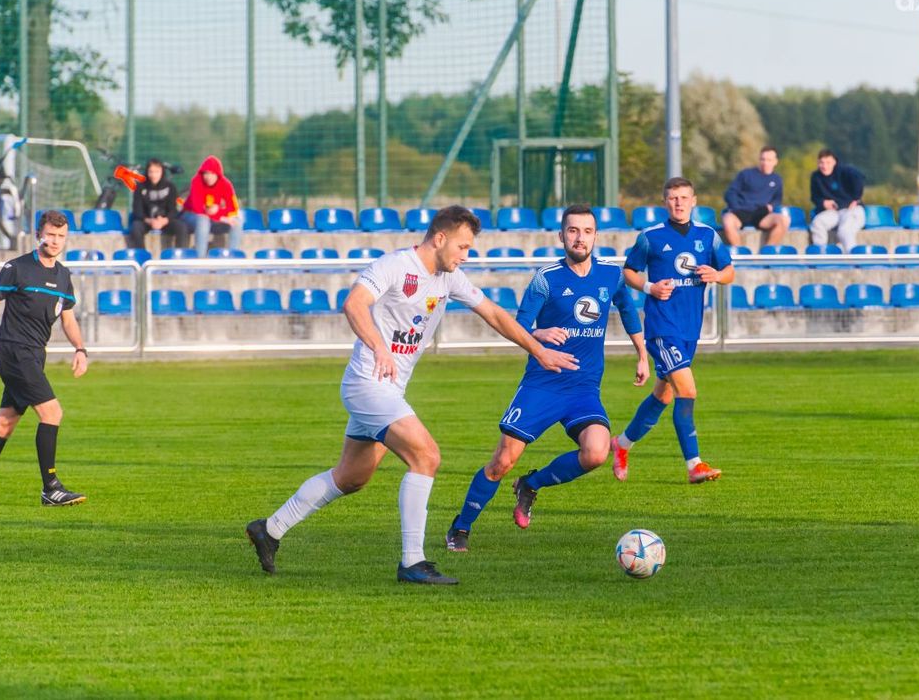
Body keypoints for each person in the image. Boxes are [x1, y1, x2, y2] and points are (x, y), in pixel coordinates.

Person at [244, 206, 579, 585]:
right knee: (427, 455)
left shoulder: (448, 278)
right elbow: (353, 304)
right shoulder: (394, 266)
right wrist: (379, 347)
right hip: (368, 384)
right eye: (463, 246)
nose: (466, 255)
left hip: (388, 389)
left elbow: (495, 314)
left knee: (351, 477)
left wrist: (537, 347)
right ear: (440, 239)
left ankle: (269, 529)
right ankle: (412, 562)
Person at [444, 205, 650, 552]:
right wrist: (540, 333)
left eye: (586, 231)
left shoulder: (611, 276)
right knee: (502, 461)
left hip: (583, 388)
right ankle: (460, 527)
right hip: (542, 384)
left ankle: (531, 484)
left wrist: (642, 355)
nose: (579, 238)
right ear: (561, 236)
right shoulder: (546, 278)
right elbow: (518, 325)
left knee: (597, 452)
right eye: (572, 231)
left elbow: (628, 311)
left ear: (595, 236)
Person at [0, 210, 89, 507]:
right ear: (38, 234)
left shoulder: (64, 276)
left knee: (5, 423)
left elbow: (68, 318)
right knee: (52, 413)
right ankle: (51, 487)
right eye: (50, 235)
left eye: (61, 236)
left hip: (34, 355)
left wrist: (80, 349)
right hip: (14, 351)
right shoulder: (17, 268)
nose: (55, 241)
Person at [610, 177, 735, 484]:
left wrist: (717, 275)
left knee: (663, 396)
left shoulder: (708, 236)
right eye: (672, 198)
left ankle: (621, 444)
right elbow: (627, 272)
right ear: (665, 202)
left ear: (694, 201)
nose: (678, 203)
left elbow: (730, 272)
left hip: (689, 328)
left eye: (683, 197)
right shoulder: (650, 237)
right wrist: (650, 287)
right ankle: (694, 465)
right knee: (688, 390)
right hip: (661, 327)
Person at [721, 145, 788, 247]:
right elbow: (730, 193)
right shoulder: (746, 174)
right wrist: (735, 207)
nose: (765, 163)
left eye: (769, 160)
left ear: (775, 161)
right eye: (763, 159)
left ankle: (767, 253)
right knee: (727, 220)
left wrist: (771, 206)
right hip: (741, 212)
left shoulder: (777, 179)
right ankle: (740, 253)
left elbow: (777, 198)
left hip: (761, 214)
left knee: (784, 220)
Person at [181, 155, 243, 257]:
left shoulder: (226, 184)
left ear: (217, 174)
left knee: (237, 221)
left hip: (214, 218)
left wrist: (219, 213)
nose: (208, 177)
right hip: (191, 216)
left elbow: (233, 208)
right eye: (206, 173)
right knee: (203, 220)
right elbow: (198, 209)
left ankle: (232, 257)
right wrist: (220, 217)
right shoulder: (196, 181)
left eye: (212, 173)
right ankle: (200, 259)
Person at [126, 158, 190, 250]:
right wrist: (150, 221)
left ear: (162, 172)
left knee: (182, 227)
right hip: (146, 221)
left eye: (157, 172)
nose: (153, 175)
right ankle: (142, 257)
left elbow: (173, 210)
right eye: (151, 172)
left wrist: (164, 220)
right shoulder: (140, 187)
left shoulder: (170, 187)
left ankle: (179, 257)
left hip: (165, 221)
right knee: (136, 227)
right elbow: (137, 211)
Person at [810, 149, 866, 252]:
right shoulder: (816, 177)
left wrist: (855, 199)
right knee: (817, 223)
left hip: (852, 210)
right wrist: (823, 203)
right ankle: (821, 256)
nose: (825, 166)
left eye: (828, 162)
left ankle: (853, 261)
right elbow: (814, 198)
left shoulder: (845, 171)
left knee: (844, 231)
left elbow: (860, 178)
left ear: (834, 162)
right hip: (834, 212)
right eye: (821, 163)